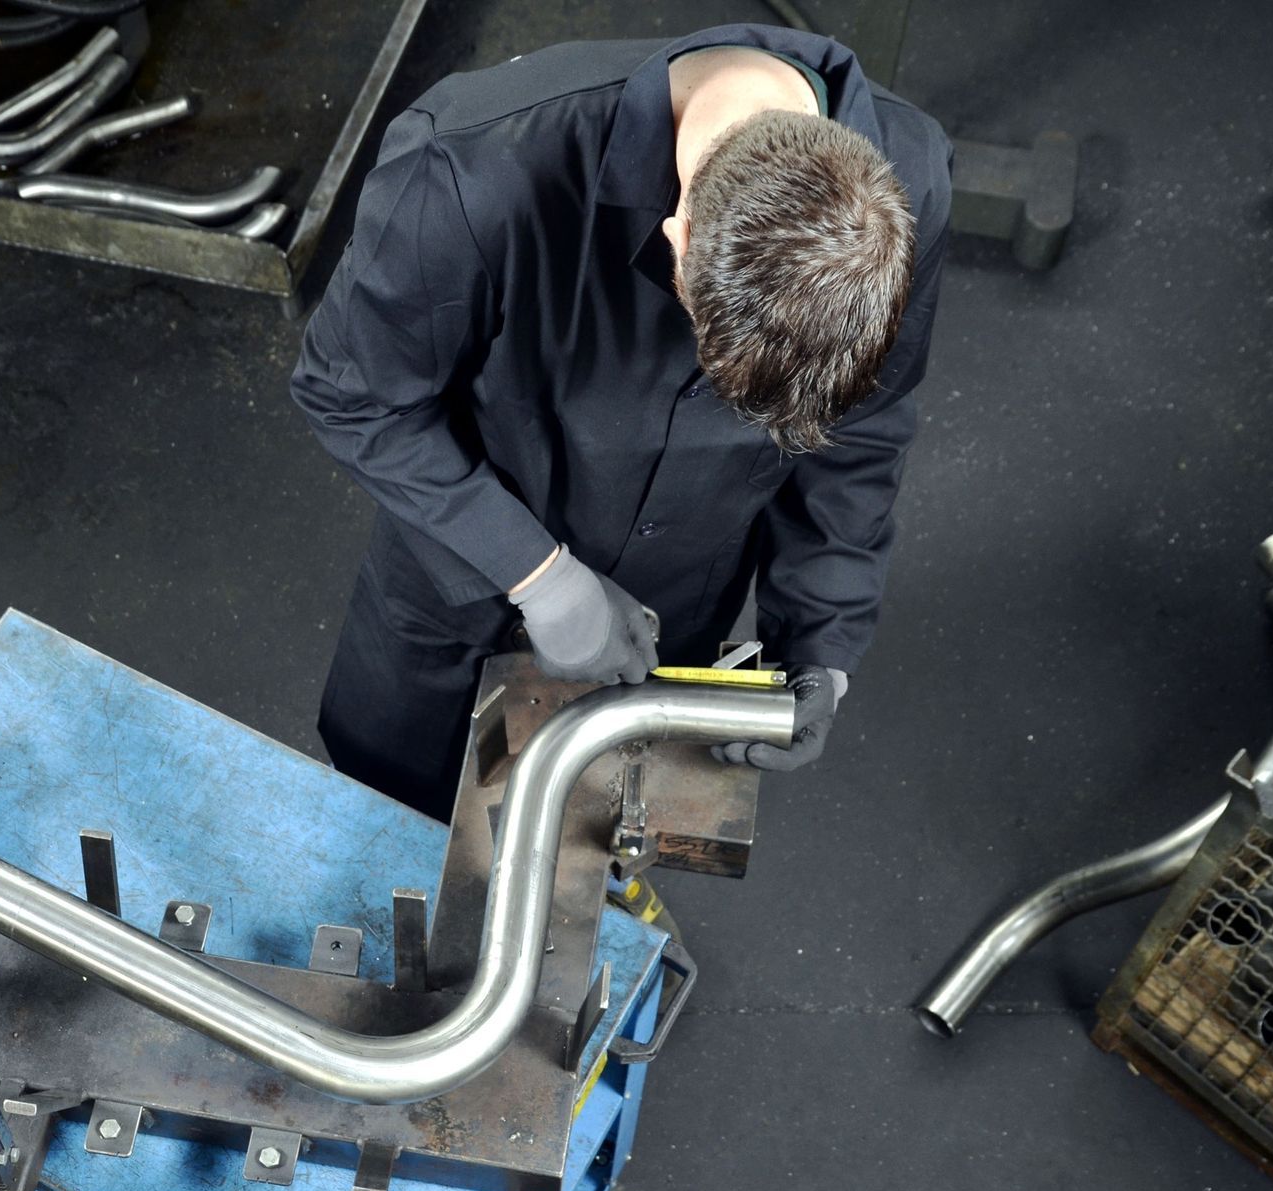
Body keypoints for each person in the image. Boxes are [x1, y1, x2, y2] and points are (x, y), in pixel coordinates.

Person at [292, 24, 952, 823]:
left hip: (663, 617)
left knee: (587, 838)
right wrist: (539, 576)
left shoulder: (904, 190)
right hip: (452, 591)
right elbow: (350, 393)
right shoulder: (474, 168)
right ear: (676, 241)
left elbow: (865, 433)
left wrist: (820, 642)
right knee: (382, 825)